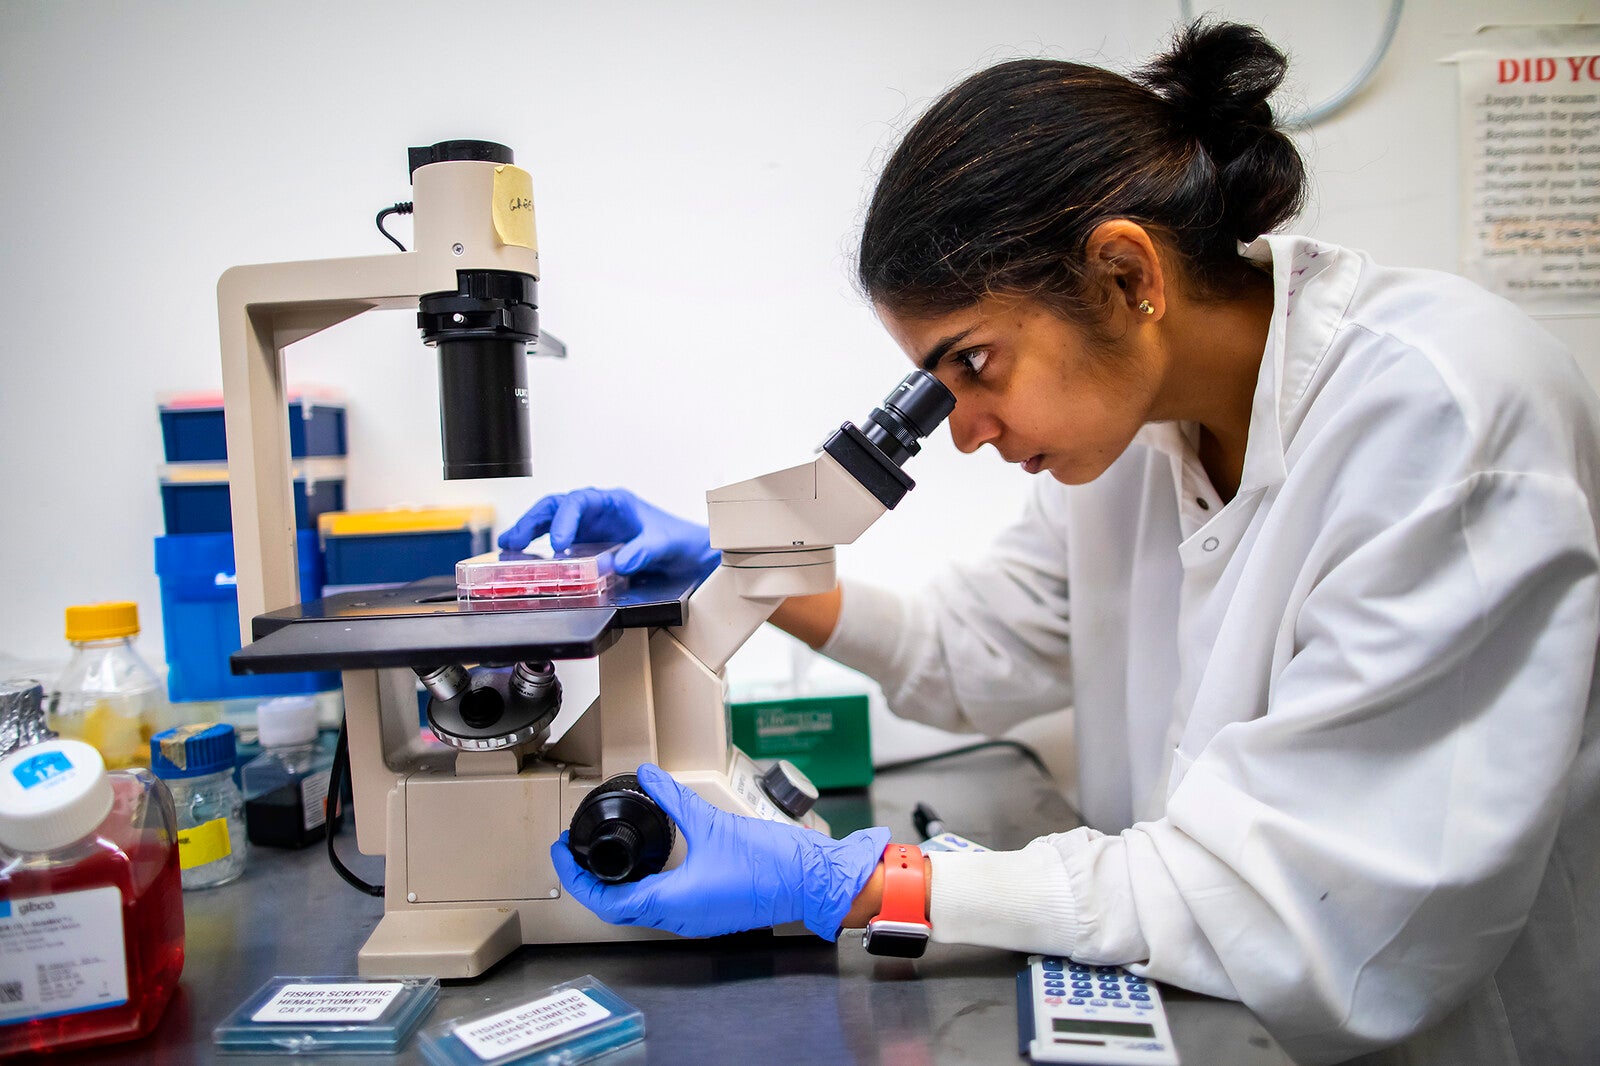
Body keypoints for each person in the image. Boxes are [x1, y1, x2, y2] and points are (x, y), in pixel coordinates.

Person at [507, 21, 1600, 1066]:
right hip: (1208, 995)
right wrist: (741, 573)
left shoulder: (1440, 417)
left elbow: (1290, 901)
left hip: (1432, 1031)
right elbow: (975, 647)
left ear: (1127, 278)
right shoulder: (1135, 436)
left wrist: (853, 882)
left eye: (973, 364)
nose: (967, 433)